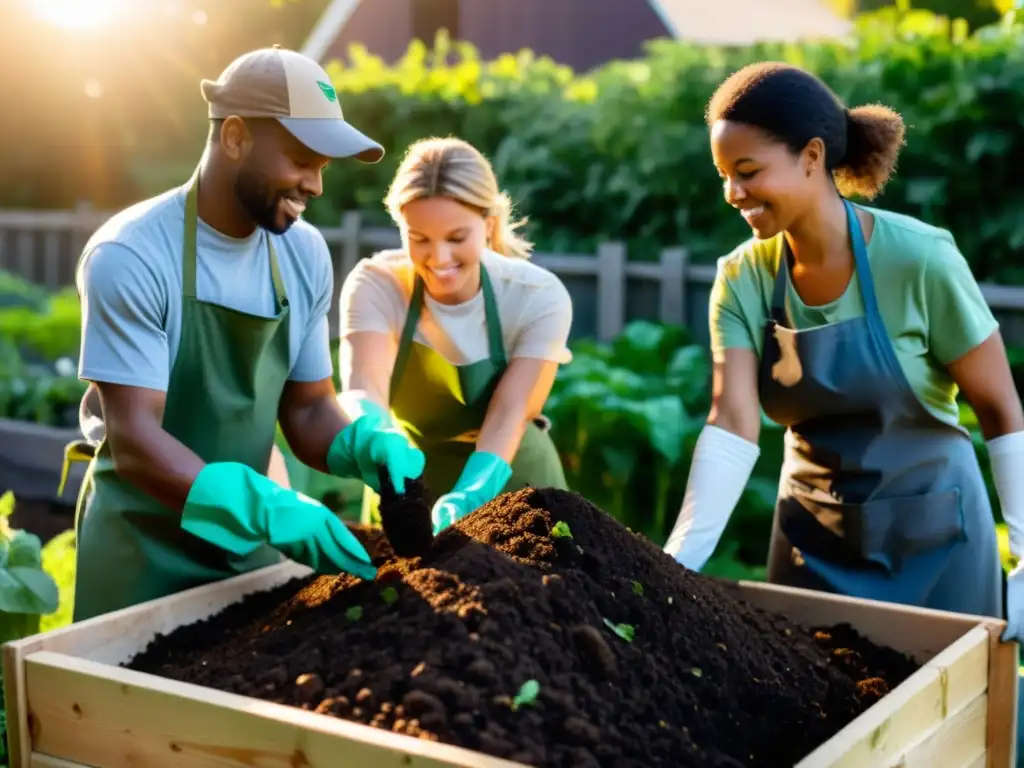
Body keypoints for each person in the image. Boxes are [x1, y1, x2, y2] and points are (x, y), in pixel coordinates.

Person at [663, 63, 1024, 635]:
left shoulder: (920, 259)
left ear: (811, 156)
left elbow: (1001, 410)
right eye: (724, 175)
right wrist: (678, 560)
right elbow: (731, 421)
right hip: (813, 543)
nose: (733, 193)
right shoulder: (743, 278)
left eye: (748, 171)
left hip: (935, 542)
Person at [68, 46, 426, 622]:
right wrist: (268, 507)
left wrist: (363, 446)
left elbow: (308, 411)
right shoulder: (131, 254)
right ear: (234, 137)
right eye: (303, 159)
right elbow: (134, 441)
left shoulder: (304, 253)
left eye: (324, 167)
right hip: (143, 551)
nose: (315, 185)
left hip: (249, 548)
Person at [336, 137, 573, 533]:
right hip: (405, 486)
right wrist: (378, 439)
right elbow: (363, 388)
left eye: (456, 238)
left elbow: (509, 413)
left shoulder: (536, 296)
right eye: (419, 239)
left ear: (489, 224)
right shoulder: (376, 285)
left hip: (513, 484)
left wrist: (473, 494)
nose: (439, 259)